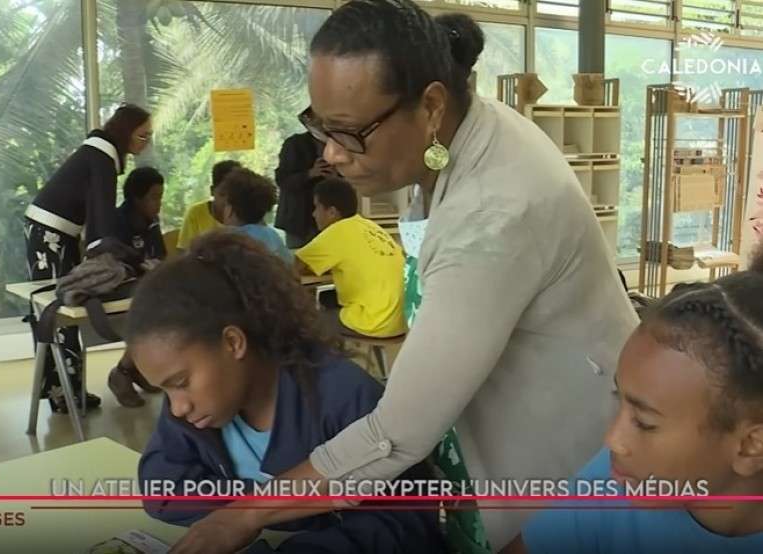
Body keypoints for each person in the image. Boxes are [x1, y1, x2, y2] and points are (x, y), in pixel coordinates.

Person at [166, 3, 640, 553]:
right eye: (320, 125)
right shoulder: (455, 138)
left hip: (561, 459)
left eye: (350, 132)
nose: (332, 153)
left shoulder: (494, 215)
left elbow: (397, 433)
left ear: (431, 105)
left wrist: (243, 516)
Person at [128, 232, 446, 554]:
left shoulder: (343, 397)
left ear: (233, 343)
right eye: (164, 390)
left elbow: (406, 523)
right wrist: (267, 509)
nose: (176, 408)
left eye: (180, 382)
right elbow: (162, 489)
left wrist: (269, 513)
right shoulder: (198, 406)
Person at [513, 257, 763, 553]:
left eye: (644, 423)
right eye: (619, 399)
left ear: (751, 446)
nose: (613, 440)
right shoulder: (616, 480)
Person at [24, 103, 152, 414]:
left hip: (58, 234)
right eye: (142, 135)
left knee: (63, 311)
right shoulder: (102, 155)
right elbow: (102, 221)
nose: (146, 142)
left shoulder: (101, 152)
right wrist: (121, 257)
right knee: (58, 312)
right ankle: (64, 393)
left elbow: (99, 220)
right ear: (126, 131)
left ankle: (68, 390)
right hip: (50, 234)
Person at [295, 176, 405, 338]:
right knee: (327, 297)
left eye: (316, 207)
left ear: (332, 212)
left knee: (305, 322)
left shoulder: (336, 231)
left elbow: (295, 266)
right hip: (401, 321)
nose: (313, 214)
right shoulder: (369, 225)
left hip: (374, 322)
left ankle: (331, 354)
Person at [107, 166, 166, 408]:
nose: (159, 204)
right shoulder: (116, 222)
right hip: (118, 285)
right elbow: (113, 262)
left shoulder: (152, 222)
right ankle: (123, 371)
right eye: (154, 197)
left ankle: (132, 367)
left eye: (161, 197)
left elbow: (160, 255)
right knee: (155, 307)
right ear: (136, 198)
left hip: (144, 285)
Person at [274, 129, 337, 248]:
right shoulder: (295, 144)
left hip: (331, 217)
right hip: (299, 220)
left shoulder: (341, 142)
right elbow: (282, 180)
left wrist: (336, 177)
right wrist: (310, 174)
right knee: (299, 254)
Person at [218, 167, 293, 265]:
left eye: (225, 205)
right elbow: (289, 265)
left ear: (230, 210)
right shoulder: (272, 236)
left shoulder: (226, 243)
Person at [177, 160, 241, 251]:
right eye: (222, 194)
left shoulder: (245, 215)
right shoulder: (195, 213)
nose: (228, 201)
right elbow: (184, 252)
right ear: (212, 191)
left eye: (234, 195)